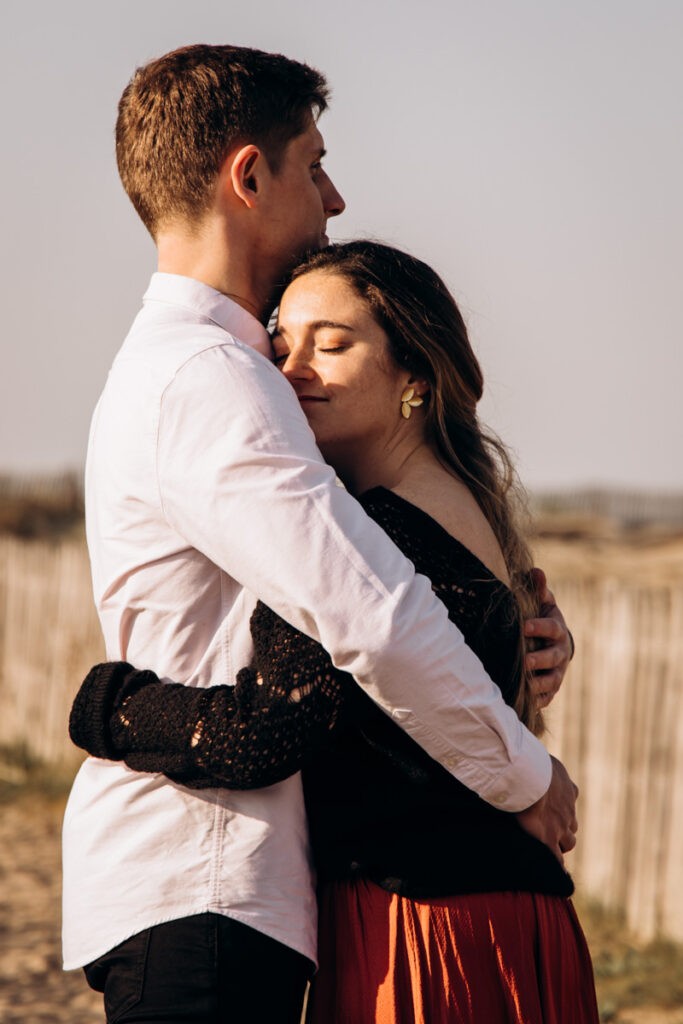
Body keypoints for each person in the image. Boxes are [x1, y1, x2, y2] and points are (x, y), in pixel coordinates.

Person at [63, 43, 577, 1024]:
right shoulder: (210, 377)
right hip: (205, 873)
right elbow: (366, 615)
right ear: (248, 177)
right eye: (315, 163)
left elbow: (372, 590)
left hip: (225, 879)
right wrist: (523, 773)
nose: (335, 199)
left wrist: (508, 634)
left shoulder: (202, 367)